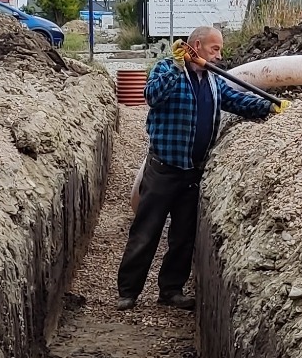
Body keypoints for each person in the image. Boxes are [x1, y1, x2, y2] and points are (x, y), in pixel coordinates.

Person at [116, 24, 277, 309]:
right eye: (215, 49)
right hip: (164, 168)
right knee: (146, 231)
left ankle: (171, 290)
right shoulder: (168, 68)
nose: (219, 55)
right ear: (198, 45)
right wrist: (178, 65)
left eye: (220, 50)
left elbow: (235, 100)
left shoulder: (212, 80)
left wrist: (269, 108)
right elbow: (152, 96)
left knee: (183, 237)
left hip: (192, 172)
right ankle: (128, 291)